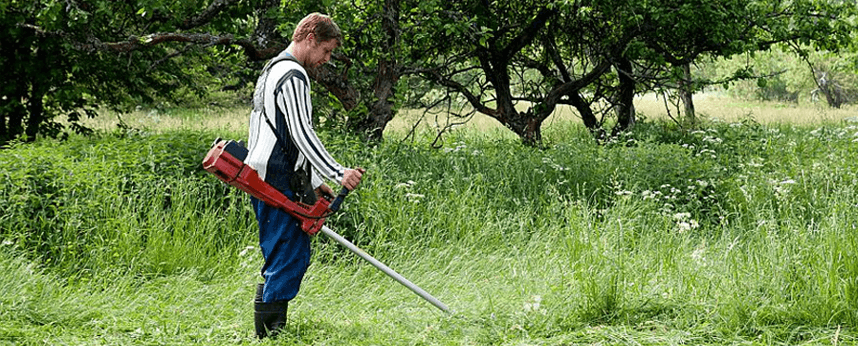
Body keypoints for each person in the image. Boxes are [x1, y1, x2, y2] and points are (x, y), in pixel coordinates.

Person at [244, 12, 364, 338]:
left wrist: (313, 182)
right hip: (276, 179)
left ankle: (269, 334)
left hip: (268, 176)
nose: (326, 59)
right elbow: (301, 133)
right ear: (310, 37)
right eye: (326, 51)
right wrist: (340, 172)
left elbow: (278, 134)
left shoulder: (273, 69)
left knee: (281, 254)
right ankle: (270, 336)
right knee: (287, 254)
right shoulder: (293, 74)